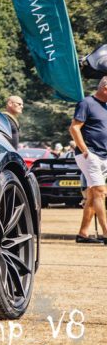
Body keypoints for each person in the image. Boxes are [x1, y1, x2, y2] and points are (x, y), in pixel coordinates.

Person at [70, 75, 107, 244]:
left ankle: (83, 234)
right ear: (104, 88)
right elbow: (74, 128)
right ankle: (106, 233)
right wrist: (85, 151)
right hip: (90, 154)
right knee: (100, 191)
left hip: (103, 155)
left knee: (93, 194)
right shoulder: (86, 103)